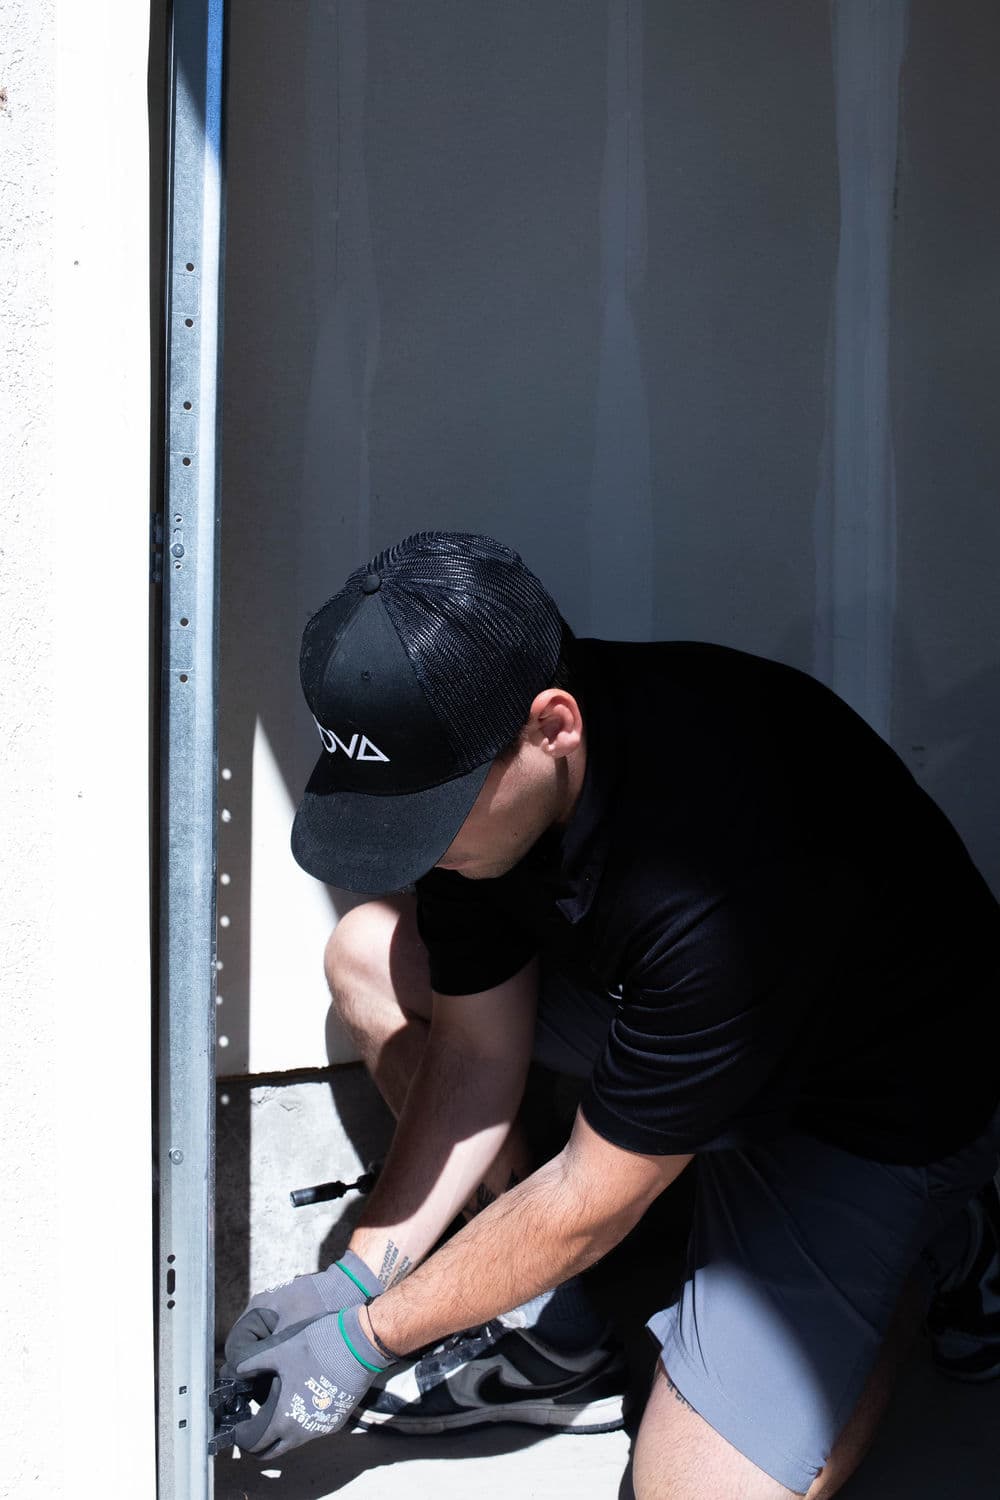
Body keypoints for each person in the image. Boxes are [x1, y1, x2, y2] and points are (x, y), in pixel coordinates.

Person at [223, 531, 1000, 1498]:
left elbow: (592, 1199)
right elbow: (472, 1056)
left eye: (435, 818)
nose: (421, 847)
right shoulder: (476, 780)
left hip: (870, 1106)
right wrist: (360, 1277)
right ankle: (557, 1335)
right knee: (368, 955)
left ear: (556, 727)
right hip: (683, 1028)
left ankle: (927, 1249)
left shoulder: (727, 859)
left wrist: (365, 1342)